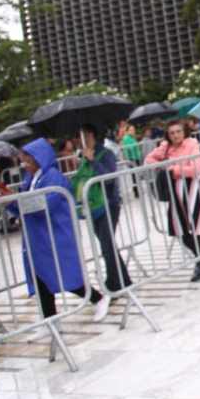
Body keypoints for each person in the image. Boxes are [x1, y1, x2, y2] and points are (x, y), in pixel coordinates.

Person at [1, 139, 109, 323]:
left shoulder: (52, 177)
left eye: (27, 160)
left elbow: (45, 204)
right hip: (38, 237)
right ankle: (49, 320)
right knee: (40, 277)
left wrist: (15, 200)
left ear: (38, 158)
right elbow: (23, 207)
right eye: (23, 160)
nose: (24, 164)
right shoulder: (30, 179)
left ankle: (98, 298)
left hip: (55, 234)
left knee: (65, 273)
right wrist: (10, 203)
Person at [144, 120, 200, 282]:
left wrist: (173, 169)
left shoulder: (192, 143)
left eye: (178, 131)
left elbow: (196, 169)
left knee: (197, 227)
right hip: (176, 192)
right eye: (172, 133)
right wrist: (165, 164)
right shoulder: (166, 147)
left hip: (194, 189)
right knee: (180, 230)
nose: (176, 135)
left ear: (184, 132)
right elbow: (149, 159)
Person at [77, 124, 133, 296]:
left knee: (107, 244)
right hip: (93, 207)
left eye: (87, 136)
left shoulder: (106, 154)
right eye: (81, 137)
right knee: (106, 244)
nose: (83, 140)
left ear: (94, 136)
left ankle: (115, 282)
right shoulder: (84, 157)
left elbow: (108, 178)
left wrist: (93, 160)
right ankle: (122, 279)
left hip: (109, 204)